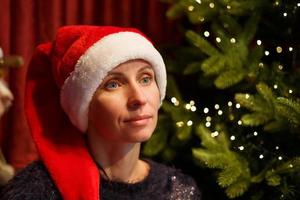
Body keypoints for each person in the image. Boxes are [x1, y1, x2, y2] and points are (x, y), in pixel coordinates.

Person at [0, 25, 201, 200]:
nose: (139, 98)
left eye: (146, 79)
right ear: (83, 105)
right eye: (113, 84)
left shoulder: (179, 190)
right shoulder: (36, 191)